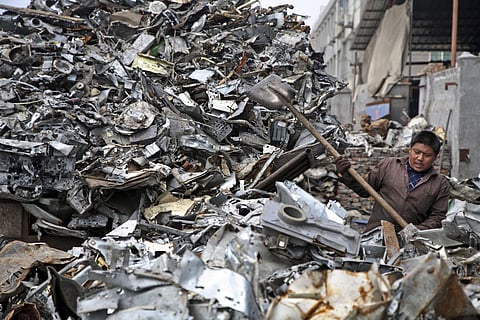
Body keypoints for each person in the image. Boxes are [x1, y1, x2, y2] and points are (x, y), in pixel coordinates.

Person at [335, 130, 449, 232]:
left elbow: (437, 217)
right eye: (417, 152)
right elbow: (365, 190)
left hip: (410, 243)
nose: (420, 158)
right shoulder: (388, 165)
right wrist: (346, 174)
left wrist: (417, 231)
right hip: (377, 234)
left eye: (427, 155)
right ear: (410, 150)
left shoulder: (439, 183)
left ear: (435, 157)